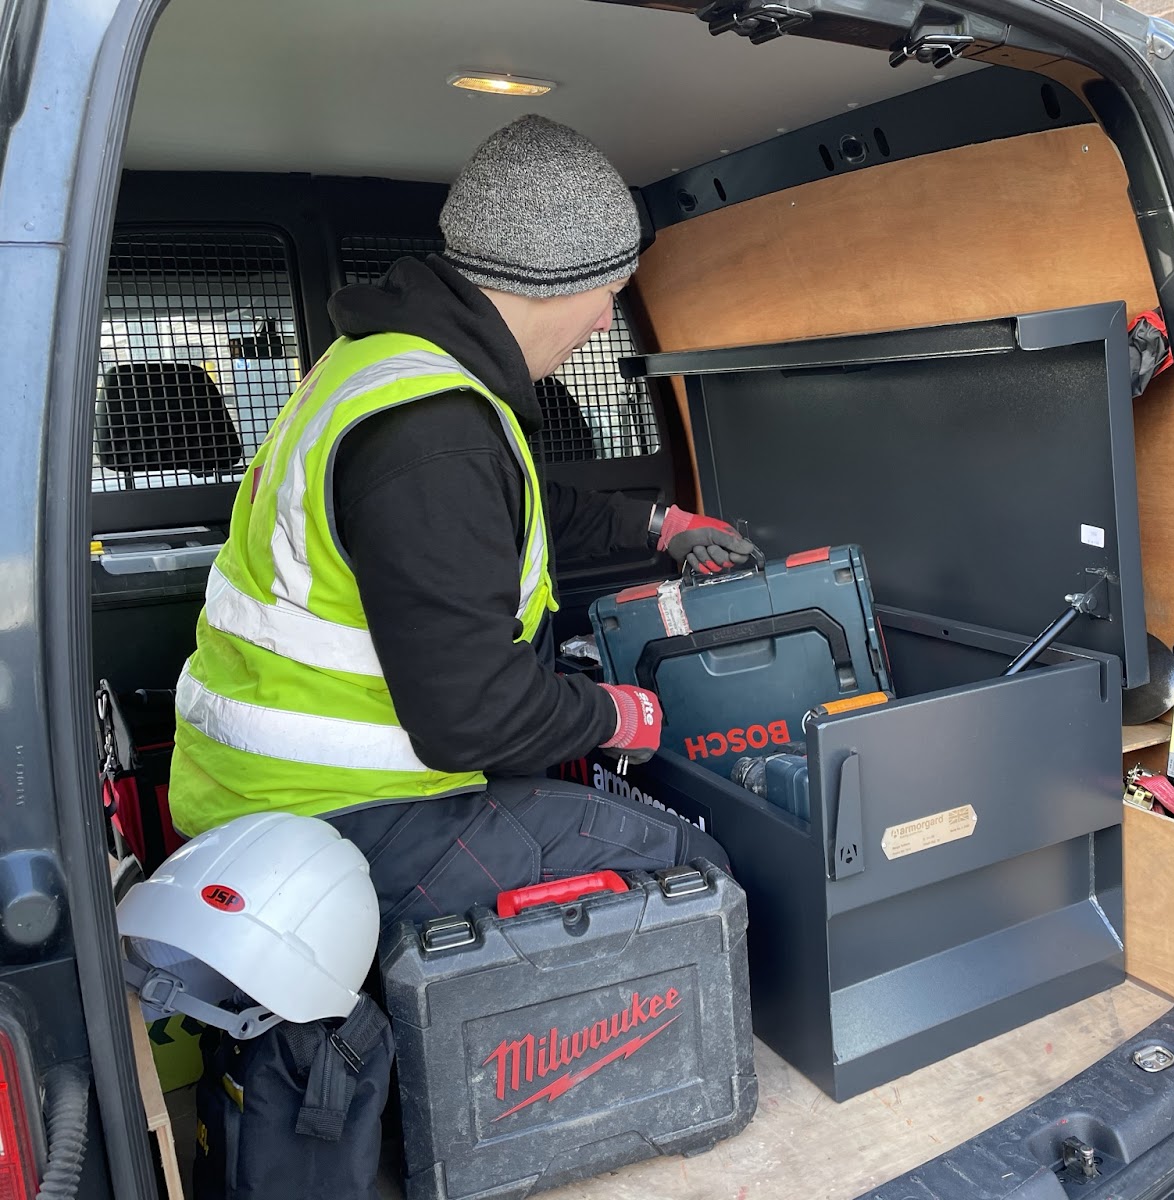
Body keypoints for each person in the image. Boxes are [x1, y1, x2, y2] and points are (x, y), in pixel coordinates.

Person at [168, 114, 752, 927]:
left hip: (271, 794)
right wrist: (619, 714)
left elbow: (504, 514)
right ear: (554, 278)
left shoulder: (388, 368)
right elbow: (475, 718)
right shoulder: (434, 433)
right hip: (333, 816)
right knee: (692, 867)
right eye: (611, 294)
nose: (601, 322)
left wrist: (660, 525)